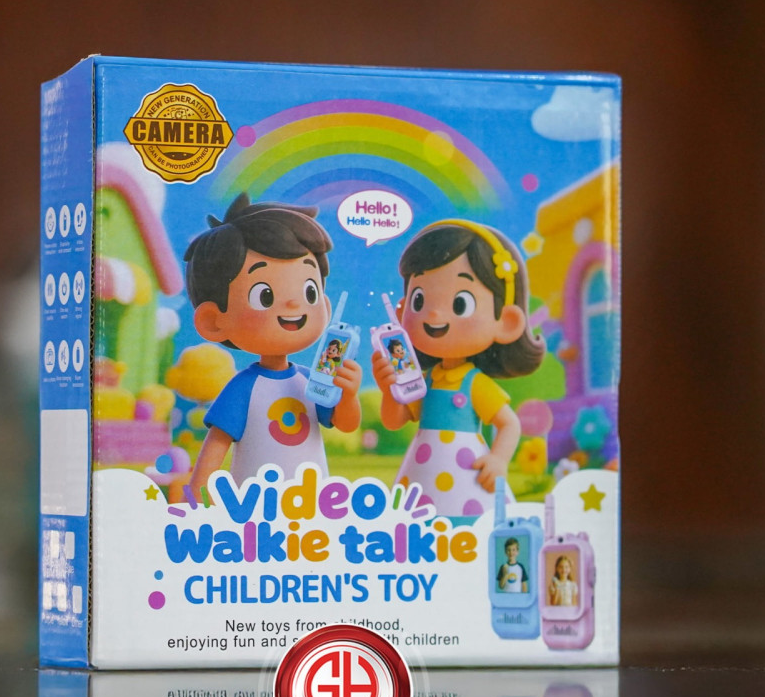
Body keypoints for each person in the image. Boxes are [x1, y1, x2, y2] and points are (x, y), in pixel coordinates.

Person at [185, 194, 361, 487]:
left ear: (325, 306)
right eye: (264, 296)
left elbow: (345, 423)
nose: (293, 304)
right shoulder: (244, 388)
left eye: (310, 292)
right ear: (214, 320)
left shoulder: (312, 381)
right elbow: (217, 443)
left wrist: (349, 395)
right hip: (253, 507)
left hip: (313, 503)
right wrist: (194, 495)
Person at [372, 220, 544, 518]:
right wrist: (389, 390)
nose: (434, 314)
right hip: (422, 473)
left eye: (461, 303)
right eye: (419, 300)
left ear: (506, 322)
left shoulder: (475, 383)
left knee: (469, 526)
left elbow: (509, 423)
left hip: (468, 478)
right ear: (401, 311)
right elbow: (394, 420)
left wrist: (498, 460)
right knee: (415, 526)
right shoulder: (425, 380)